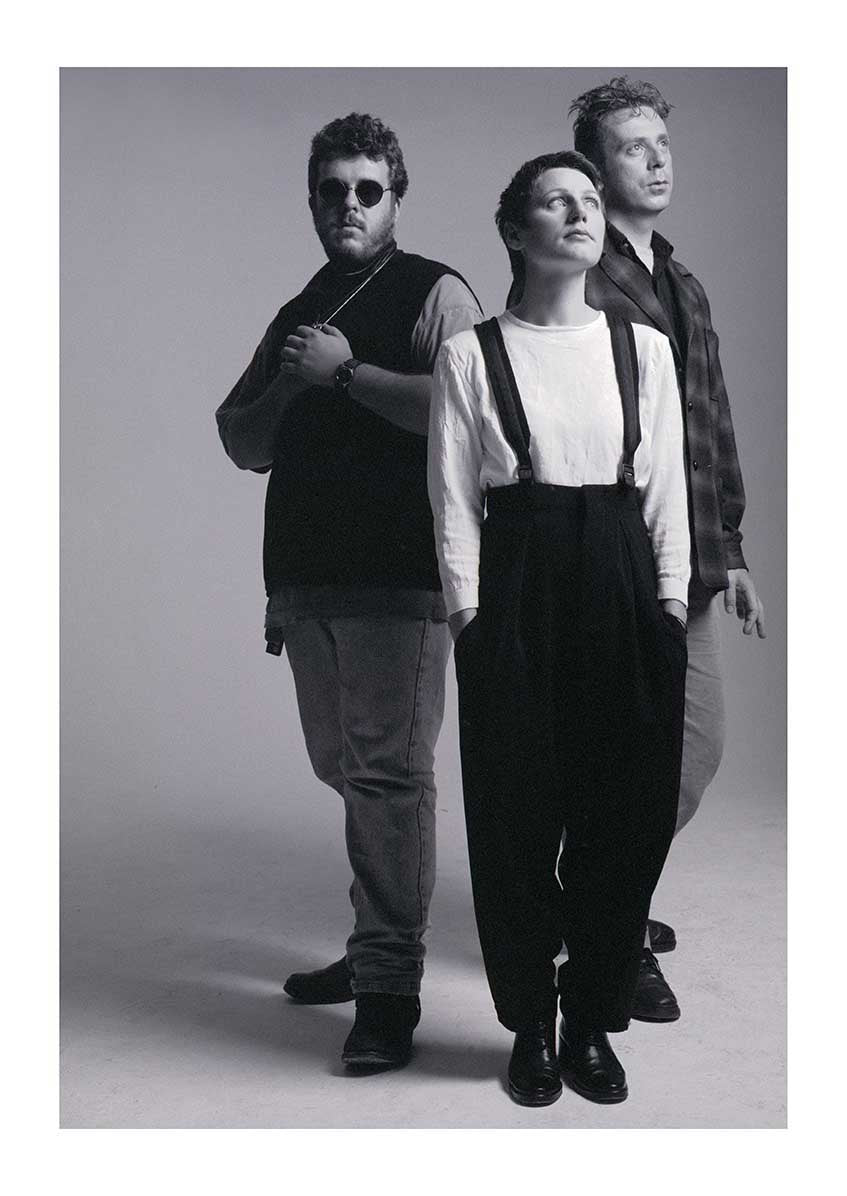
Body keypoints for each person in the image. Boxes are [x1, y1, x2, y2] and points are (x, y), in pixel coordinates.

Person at [215, 112, 482, 1071]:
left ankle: (388, 987)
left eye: (368, 189)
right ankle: (374, 946)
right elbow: (242, 439)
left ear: (395, 198)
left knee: (386, 779)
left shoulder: (432, 290)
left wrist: (349, 371)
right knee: (347, 772)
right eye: (333, 189)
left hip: (398, 581)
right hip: (309, 581)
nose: (349, 205)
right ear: (314, 200)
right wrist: (299, 385)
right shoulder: (302, 303)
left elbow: (472, 413)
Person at [428, 150, 690, 1106]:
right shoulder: (471, 355)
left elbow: (665, 489)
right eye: (556, 201)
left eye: (588, 199)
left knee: (623, 815)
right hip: (518, 584)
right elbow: (453, 501)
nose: (580, 214)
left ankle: (590, 1020)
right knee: (513, 818)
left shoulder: (641, 349)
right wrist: (469, 617)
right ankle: (529, 1025)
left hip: (623, 582)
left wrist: (667, 603)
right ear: (515, 229)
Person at [567, 77, 766, 1022]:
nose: (657, 159)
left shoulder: (679, 280)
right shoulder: (575, 273)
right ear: (594, 172)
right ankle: (607, 930)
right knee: (633, 757)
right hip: (616, 558)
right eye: (633, 146)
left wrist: (730, 551)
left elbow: (708, 425)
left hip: (688, 560)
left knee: (691, 753)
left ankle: (601, 901)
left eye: (661, 143)